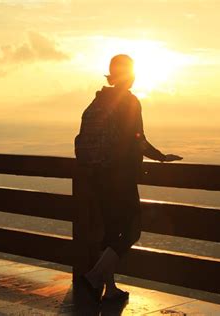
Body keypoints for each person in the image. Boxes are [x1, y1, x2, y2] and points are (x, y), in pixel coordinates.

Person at [76, 54, 182, 304]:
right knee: (132, 230)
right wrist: (160, 157)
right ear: (129, 74)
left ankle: (109, 289)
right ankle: (93, 278)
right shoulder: (130, 102)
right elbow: (138, 139)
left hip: (97, 176)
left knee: (111, 231)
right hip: (120, 176)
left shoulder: (100, 100)